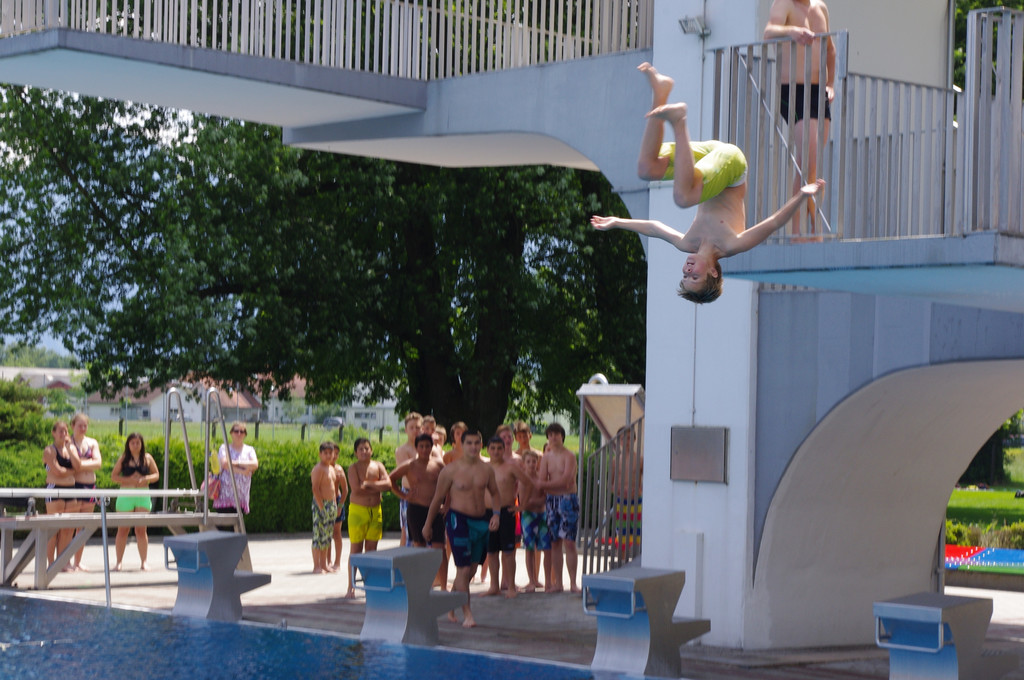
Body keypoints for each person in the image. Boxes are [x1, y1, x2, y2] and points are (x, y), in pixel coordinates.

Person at [592, 62, 825, 304]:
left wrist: (616, 222)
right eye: (694, 277)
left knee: (647, 168)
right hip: (732, 166)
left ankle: (660, 92)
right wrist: (802, 195)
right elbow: (774, 222)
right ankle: (679, 120)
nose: (688, 270)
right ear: (713, 272)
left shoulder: (687, 242)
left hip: (709, 158)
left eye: (684, 275)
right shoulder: (730, 245)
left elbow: (653, 228)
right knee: (684, 197)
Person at [764, 0, 835, 236]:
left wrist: (831, 83)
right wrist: (792, 31)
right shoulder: (784, 3)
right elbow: (769, 32)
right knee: (808, 161)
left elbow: (830, 49)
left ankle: (806, 228)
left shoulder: (820, 7)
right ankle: (805, 229)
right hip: (793, 90)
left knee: (811, 164)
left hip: (818, 91)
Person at [422, 429, 501, 628]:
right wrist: (428, 524)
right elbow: (437, 499)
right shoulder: (450, 471)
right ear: (461, 445)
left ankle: (451, 604)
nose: (473, 447)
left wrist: (496, 515)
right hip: (458, 520)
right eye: (469, 443)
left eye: (477, 443)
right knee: (463, 569)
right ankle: (468, 614)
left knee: (470, 570)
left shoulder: (487, 469)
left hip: (481, 521)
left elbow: (495, 494)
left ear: (481, 445)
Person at [390, 433, 448, 589]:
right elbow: (391, 479)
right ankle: (423, 586)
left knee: (439, 549)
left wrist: (447, 504)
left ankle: (443, 586)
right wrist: (403, 495)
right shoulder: (409, 465)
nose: (424, 449)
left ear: (432, 447)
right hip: (416, 509)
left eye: (427, 446)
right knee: (419, 548)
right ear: (416, 448)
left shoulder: (439, 465)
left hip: (435, 510)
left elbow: (449, 484)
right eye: (421, 446)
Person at [481, 435, 532, 598]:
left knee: (508, 552)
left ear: (504, 450)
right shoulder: (483, 468)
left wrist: (522, 505)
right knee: (491, 552)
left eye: (499, 448)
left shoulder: (511, 467)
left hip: (506, 512)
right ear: (487, 450)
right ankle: (494, 586)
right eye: (493, 448)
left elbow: (528, 483)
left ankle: (510, 586)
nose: (496, 451)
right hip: (487, 513)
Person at [537, 422, 580, 594]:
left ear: (562, 436)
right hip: (551, 501)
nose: (553, 437)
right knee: (555, 542)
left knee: (569, 542)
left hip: (568, 500)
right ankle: (558, 583)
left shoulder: (569, 456)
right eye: (550, 434)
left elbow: (566, 480)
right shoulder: (546, 458)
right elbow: (541, 481)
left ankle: (573, 583)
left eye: (556, 434)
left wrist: (548, 485)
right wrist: (552, 486)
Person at [345, 437, 391, 598]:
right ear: (355, 452)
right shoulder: (353, 468)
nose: (364, 451)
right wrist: (378, 486)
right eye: (360, 449)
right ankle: (351, 586)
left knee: (372, 550)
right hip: (358, 511)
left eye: (367, 448)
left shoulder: (378, 466)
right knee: (356, 550)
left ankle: (370, 584)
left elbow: (388, 485)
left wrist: (369, 484)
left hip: (375, 511)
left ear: (371, 450)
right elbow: (356, 489)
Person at [110, 432, 159, 571]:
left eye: (138, 442)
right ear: (128, 445)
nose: (135, 445)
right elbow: (114, 476)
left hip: (142, 495)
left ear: (142, 444)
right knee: (123, 529)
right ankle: (119, 562)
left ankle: (144, 561)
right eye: (133, 443)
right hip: (126, 494)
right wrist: (129, 480)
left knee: (141, 530)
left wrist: (145, 479)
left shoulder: (147, 458)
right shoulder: (124, 458)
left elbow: (156, 475)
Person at [68, 412, 102, 571]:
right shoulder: (69, 443)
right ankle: (65, 561)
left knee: (83, 527)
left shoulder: (92, 442)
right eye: (79, 425)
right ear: (72, 426)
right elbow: (73, 466)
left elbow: (98, 463)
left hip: (90, 486)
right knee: (70, 526)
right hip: (74, 486)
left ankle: (78, 561)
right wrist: (88, 462)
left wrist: (81, 464)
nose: (83, 428)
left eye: (85, 425)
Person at [42, 420, 76, 567]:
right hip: (55, 489)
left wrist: (70, 470)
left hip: (71, 490)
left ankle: (63, 561)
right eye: (60, 431)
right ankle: (51, 562)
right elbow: (57, 471)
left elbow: (78, 466)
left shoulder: (70, 449)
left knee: (68, 528)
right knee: (54, 528)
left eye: (66, 431)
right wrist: (71, 471)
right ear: (53, 433)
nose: (64, 434)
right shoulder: (49, 450)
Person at [520, 450, 551, 592]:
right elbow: (524, 503)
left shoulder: (541, 478)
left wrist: (535, 501)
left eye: (534, 461)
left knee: (547, 548)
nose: (532, 464)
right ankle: (531, 580)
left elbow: (546, 497)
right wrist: (536, 501)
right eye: (528, 461)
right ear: (523, 463)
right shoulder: (523, 479)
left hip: (542, 515)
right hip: (528, 516)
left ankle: (548, 581)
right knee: (529, 549)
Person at [609, 426, 643, 556]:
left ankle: (635, 559)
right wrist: (617, 490)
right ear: (619, 441)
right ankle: (622, 560)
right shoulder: (615, 461)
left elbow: (647, 482)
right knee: (621, 533)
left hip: (636, 501)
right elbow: (610, 484)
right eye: (623, 439)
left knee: (637, 533)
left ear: (634, 440)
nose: (626, 442)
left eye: (629, 438)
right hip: (621, 501)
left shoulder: (640, 460)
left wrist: (639, 490)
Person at [213, 421, 259, 514]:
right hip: (224, 495)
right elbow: (225, 464)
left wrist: (235, 462)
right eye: (236, 431)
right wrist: (243, 471)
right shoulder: (224, 448)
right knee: (224, 522)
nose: (239, 434)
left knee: (238, 522)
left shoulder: (250, 450)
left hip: (241, 496)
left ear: (245, 434)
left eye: (242, 432)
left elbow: (255, 465)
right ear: (231, 433)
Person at [394, 412, 423, 547]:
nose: (415, 430)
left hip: (427, 495)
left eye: (418, 427)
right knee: (407, 533)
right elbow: (410, 473)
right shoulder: (402, 450)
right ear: (406, 430)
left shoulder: (429, 449)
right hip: (410, 494)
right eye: (411, 427)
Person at [311, 441, 339, 574]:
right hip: (320, 505)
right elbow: (315, 488)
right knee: (318, 536)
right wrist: (321, 507)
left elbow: (333, 489)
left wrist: (334, 505)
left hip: (331, 505)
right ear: (320, 454)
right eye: (325, 453)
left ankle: (324, 564)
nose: (328, 455)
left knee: (327, 536)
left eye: (330, 453)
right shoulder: (318, 469)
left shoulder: (331, 468)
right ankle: (316, 566)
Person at [330, 442, 350, 573]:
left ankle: (337, 562)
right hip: (325, 502)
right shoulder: (321, 468)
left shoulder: (339, 469)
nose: (334, 456)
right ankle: (327, 561)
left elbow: (345, 490)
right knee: (326, 534)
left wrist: (340, 506)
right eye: (332, 453)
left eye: (337, 453)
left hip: (337, 501)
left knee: (336, 533)